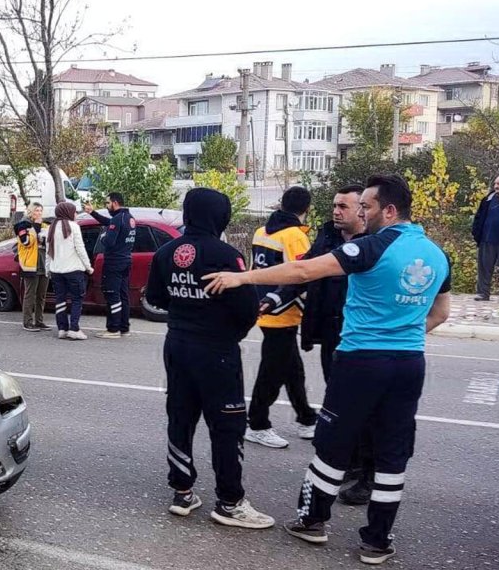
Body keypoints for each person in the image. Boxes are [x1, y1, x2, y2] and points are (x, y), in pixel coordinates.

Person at [203, 174, 452, 566]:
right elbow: (441, 312)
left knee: (333, 441)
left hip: (361, 361)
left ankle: (312, 521)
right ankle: (377, 541)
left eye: (366, 207)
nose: (361, 213)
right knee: (392, 451)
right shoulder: (437, 254)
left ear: (389, 210)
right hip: (409, 363)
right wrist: (401, 333)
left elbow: (303, 272)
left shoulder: (373, 246)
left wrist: (243, 277)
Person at [144, 188, 274, 530]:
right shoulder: (227, 256)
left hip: (177, 345)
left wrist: (185, 306)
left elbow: (155, 297)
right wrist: (227, 331)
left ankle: (182, 491)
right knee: (228, 425)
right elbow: (248, 309)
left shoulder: (166, 252)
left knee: (180, 415)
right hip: (216, 351)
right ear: (221, 216)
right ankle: (230, 502)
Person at [266, 184, 373, 504]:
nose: (336, 211)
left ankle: (368, 474)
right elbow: (303, 272)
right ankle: (351, 462)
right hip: (331, 335)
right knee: (339, 402)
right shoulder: (326, 237)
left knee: (364, 407)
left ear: (362, 211)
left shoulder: (377, 243)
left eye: (344, 206)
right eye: (335, 205)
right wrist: (274, 296)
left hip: (364, 340)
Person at [245, 186, 318, 449]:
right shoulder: (295, 237)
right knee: (272, 372)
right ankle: (256, 423)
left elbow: (257, 269)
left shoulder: (261, 231)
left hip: (264, 307)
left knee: (292, 369)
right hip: (283, 311)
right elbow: (302, 276)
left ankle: (307, 417)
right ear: (306, 209)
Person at [47, 201, 93, 341]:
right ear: (68, 212)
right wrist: (88, 267)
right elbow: (80, 249)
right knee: (77, 299)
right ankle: (74, 329)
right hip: (73, 269)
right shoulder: (74, 227)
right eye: (74, 211)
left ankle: (62, 328)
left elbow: (48, 251)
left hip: (56, 270)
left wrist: (47, 268)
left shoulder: (52, 227)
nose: (76, 214)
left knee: (60, 300)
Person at [98, 192, 135, 338]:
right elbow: (109, 222)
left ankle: (113, 329)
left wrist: (102, 235)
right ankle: (124, 328)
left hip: (114, 262)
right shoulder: (129, 218)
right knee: (123, 295)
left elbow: (109, 242)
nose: (106, 206)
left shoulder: (117, 219)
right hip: (126, 260)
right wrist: (92, 213)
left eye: (107, 203)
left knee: (112, 295)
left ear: (114, 203)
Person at [14, 202, 49, 331]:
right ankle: (27, 321)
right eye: (36, 210)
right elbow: (26, 242)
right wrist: (36, 227)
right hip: (30, 264)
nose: (39, 213)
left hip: (43, 263)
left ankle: (39, 321)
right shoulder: (22, 226)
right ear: (30, 212)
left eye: (41, 210)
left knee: (41, 295)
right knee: (30, 294)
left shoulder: (45, 225)